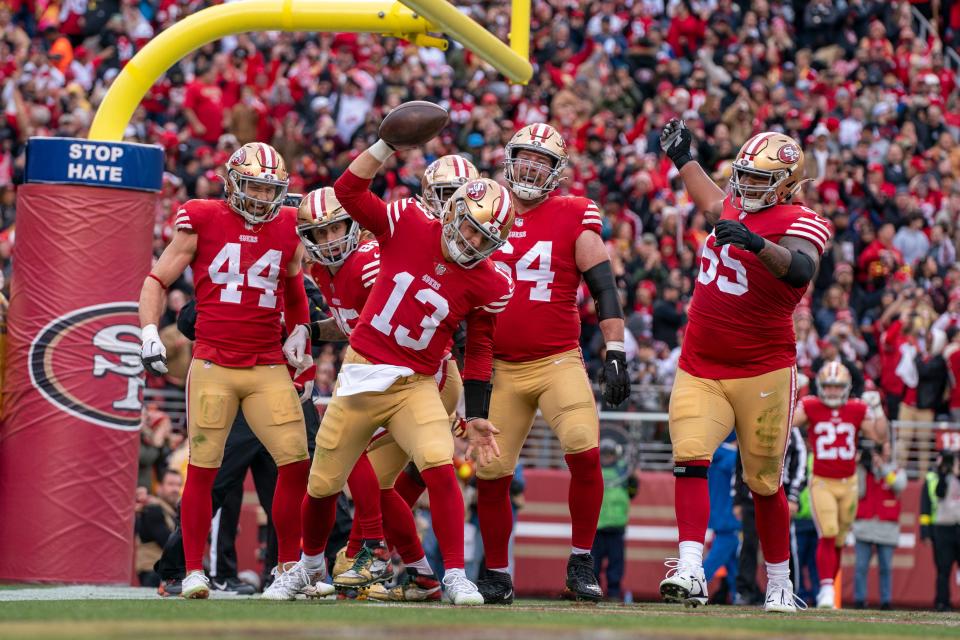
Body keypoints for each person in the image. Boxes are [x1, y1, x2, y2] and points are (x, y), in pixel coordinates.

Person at [291, 128, 515, 606]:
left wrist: (475, 413)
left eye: (484, 236)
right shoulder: (407, 222)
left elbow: (478, 348)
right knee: (325, 481)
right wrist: (385, 145)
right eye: (470, 227)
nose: (472, 240)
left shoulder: (489, 282)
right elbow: (349, 191)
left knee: (437, 464)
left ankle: (449, 573)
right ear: (451, 212)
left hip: (419, 380)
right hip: (363, 370)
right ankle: (311, 566)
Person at [658, 120, 832, 613]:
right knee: (689, 457)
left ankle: (779, 582)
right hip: (701, 363)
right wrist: (684, 159)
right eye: (744, 177)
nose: (747, 188)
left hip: (763, 369)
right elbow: (713, 202)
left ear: (787, 184)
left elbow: (800, 268)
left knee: (763, 483)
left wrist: (756, 245)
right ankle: (691, 568)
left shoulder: (804, 221)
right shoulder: (735, 202)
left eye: (760, 180)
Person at [138, 142, 315, 600]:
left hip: (267, 363)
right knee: (203, 469)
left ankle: (288, 567)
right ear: (233, 182)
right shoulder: (201, 217)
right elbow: (158, 278)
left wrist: (299, 331)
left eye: (268, 188)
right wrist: (149, 331)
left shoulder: (288, 225)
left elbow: (294, 288)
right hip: (213, 361)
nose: (260, 196)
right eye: (253, 185)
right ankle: (193, 570)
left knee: (296, 463)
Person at [475, 122, 631, 605]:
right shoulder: (484, 206)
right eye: (525, 156)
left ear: (557, 171)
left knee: (585, 449)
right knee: (491, 472)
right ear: (509, 158)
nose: (530, 167)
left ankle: (581, 559)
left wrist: (616, 351)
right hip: (498, 366)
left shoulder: (575, 211)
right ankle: (497, 573)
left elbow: (603, 285)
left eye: (542, 161)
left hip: (557, 360)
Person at [793, 362, 887, 609]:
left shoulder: (857, 408)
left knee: (838, 540)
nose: (833, 392)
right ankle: (825, 588)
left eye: (838, 387)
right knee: (829, 531)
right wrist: (796, 395)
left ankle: (828, 586)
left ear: (846, 388)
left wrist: (877, 409)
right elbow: (787, 423)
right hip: (822, 480)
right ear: (821, 387)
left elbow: (879, 436)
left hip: (850, 483)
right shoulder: (812, 405)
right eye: (829, 387)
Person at [853, 440, 906, 610]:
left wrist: (882, 468)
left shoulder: (895, 469)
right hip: (865, 525)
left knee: (885, 568)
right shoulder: (862, 469)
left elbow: (898, 485)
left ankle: (886, 601)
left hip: (886, 528)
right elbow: (858, 491)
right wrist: (860, 466)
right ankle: (859, 600)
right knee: (860, 567)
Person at [592, 438, 638, 601]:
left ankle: (613, 593)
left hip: (617, 528)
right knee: (593, 565)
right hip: (596, 528)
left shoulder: (623, 471)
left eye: (610, 454)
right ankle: (592, 593)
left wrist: (633, 480)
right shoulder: (594, 470)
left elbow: (632, 492)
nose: (607, 457)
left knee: (616, 565)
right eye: (604, 454)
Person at [920, 448, 960, 611]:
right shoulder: (936, 477)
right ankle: (942, 602)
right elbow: (939, 493)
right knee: (943, 569)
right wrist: (944, 473)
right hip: (943, 528)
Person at [702, 433, 739, 605]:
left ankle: (738, 591)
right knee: (719, 555)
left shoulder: (713, 454)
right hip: (730, 513)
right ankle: (697, 583)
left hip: (717, 510)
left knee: (733, 559)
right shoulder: (734, 458)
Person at [135, 469, 181, 587]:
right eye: (170, 484)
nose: (175, 489)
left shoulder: (172, 510)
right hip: (154, 574)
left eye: (178, 485)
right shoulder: (153, 509)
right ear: (159, 487)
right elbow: (168, 544)